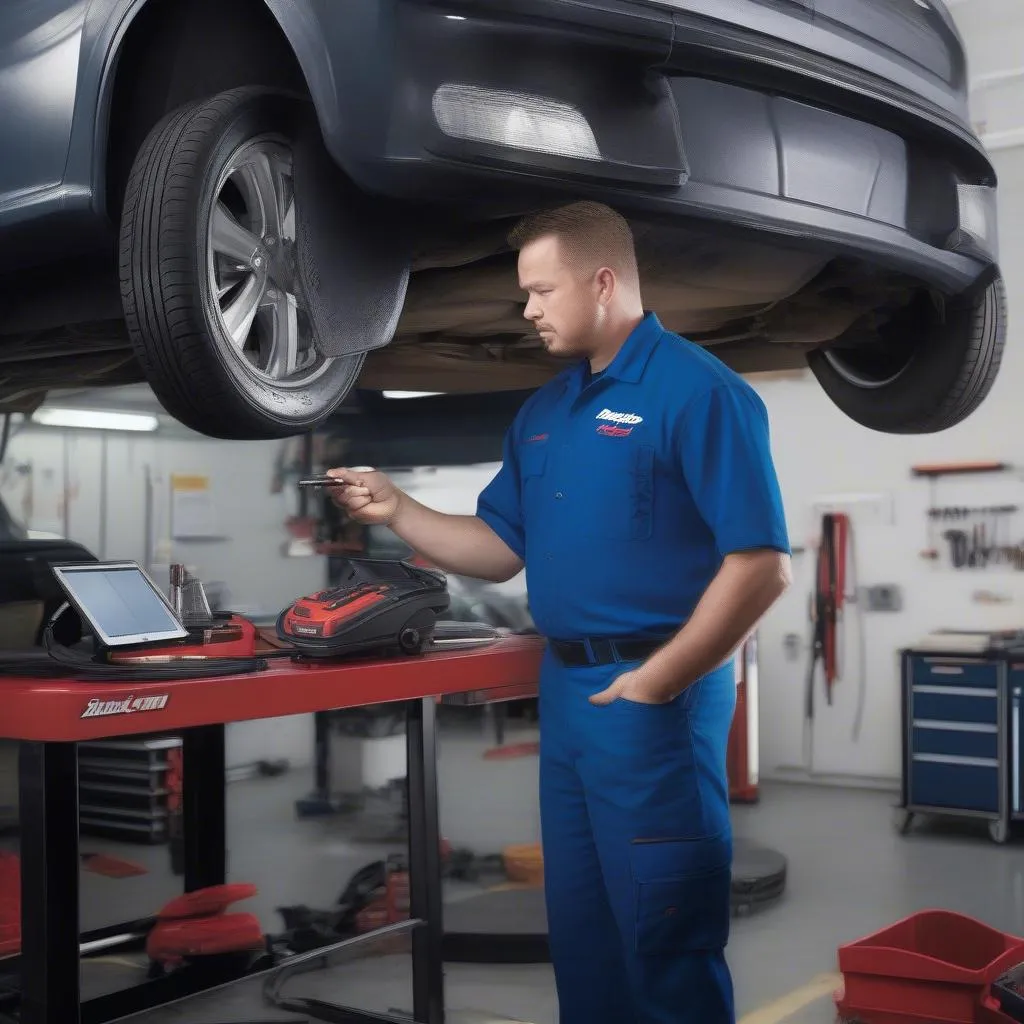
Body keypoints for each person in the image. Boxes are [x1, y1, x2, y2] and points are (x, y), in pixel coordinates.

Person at [327, 200, 792, 1024]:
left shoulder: (699, 393)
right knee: (582, 937)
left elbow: (760, 567)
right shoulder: (544, 414)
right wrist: (397, 508)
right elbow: (499, 546)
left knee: (665, 940)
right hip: (568, 697)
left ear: (603, 281)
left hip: (656, 696)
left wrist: (658, 683)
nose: (529, 310)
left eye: (542, 291)